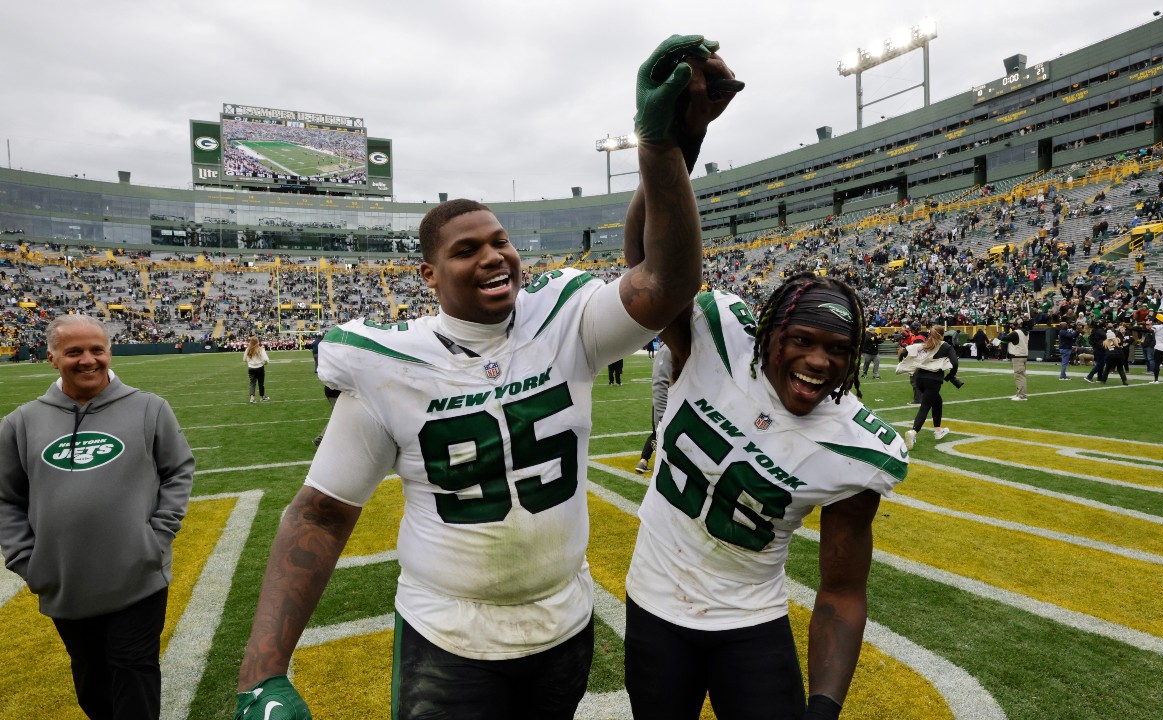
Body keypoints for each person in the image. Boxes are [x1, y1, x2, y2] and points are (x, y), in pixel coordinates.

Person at [233, 33, 737, 720]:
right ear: (429, 275)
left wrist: (660, 145)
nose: (493, 257)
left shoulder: (562, 319)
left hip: (562, 623)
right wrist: (262, 672)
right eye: (466, 250)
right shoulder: (391, 362)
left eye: (499, 241)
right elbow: (320, 514)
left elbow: (668, 281)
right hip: (448, 633)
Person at [620, 269, 907, 718]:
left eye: (838, 350)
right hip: (655, 603)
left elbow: (843, 589)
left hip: (750, 618)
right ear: (770, 333)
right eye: (802, 341)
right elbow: (651, 267)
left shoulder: (854, 445)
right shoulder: (716, 345)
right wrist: (661, 192)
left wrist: (825, 709)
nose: (819, 361)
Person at [0, 315, 194, 720]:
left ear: (109, 352)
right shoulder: (21, 422)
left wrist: (156, 537)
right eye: (74, 352)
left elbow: (178, 471)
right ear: (52, 358)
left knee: (133, 668)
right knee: (92, 680)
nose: (88, 360)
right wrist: (26, 559)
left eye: (97, 350)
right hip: (66, 580)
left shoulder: (149, 408)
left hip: (137, 575)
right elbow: (6, 498)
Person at [898, 325, 960, 449]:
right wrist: (950, 376)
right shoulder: (945, 346)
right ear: (942, 335)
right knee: (925, 406)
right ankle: (914, 431)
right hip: (933, 380)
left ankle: (938, 430)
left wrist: (901, 361)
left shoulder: (923, 345)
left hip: (919, 378)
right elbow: (955, 362)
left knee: (937, 401)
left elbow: (904, 352)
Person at [635, 342, 672, 474]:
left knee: (655, 433)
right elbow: (660, 382)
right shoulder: (667, 350)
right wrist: (663, 415)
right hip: (667, 405)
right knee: (659, 433)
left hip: (668, 405)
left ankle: (644, 460)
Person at [1001, 318, 1030, 400]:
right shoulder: (1026, 332)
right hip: (1023, 355)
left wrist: (1006, 330)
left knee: (1019, 376)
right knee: (1021, 375)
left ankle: (1022, 395)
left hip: (1017, 355)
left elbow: (1004, 338)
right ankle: (1019, 393)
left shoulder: (1016, 333)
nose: (1012, 325)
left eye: (1013, 324)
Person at [243, 335, 269, 403]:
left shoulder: (248, 349)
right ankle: (262, 397)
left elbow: (244, 359)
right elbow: (266, 359)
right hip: (260, 368)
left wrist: (250, 362)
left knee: (252, 383)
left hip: (251, 368)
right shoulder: (260, 349)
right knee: (261, 383)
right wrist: (264, 363)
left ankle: (252, 398)